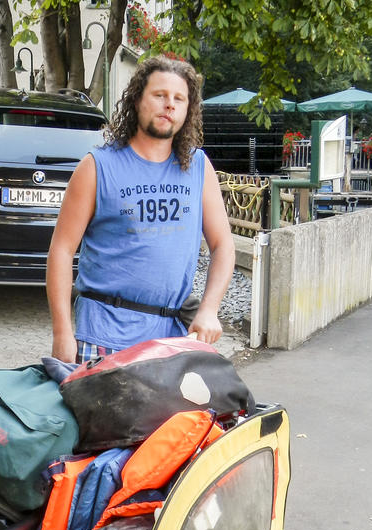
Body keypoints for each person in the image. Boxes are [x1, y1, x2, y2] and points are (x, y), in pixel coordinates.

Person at [46, 55, 235, 363]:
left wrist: (209, 309)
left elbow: (223, 245)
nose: (169, 105)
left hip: (170, 342)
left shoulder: (199, 167)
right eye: (159, 95)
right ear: (136, 100)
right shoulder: (97, 167)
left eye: (179, 98)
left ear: (188, 110)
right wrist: (62, 333)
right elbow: (62, 251)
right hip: (103, 335)